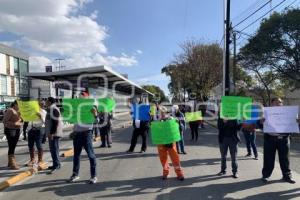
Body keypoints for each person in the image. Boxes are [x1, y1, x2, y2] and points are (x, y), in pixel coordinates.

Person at [259, 97, 298, 184]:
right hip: (270, 139)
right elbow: (259, 125)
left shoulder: (288, 113)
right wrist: (261, 122)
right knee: (268, 158)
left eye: (280, 102)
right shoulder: (266, 113)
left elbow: (294, 125)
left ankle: (287, 176)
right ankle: (266, 176)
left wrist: (296, 122)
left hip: (284, 140)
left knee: (285, 159)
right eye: (276, 102)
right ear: (272, 104)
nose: (279, 104)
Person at [68, 97, 97, 184]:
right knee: (76, 155)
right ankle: (75, 174)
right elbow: (72, 121)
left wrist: (95, 114)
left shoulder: (91, 108)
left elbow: (97, 121)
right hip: (77, 134)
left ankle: (93, 176)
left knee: (91, 155)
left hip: (86, 134)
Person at [155, 106, 184, 181]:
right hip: (161, 142)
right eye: (160, 112)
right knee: (163, 159)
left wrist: (177, 122)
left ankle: (179, 174)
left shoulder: (171, 119)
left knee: (175, 158)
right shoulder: (157, 121)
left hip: (170, 141)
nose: (161, 114)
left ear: (165, 112)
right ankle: (165, 172)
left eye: (162, 112)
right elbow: (154, 130)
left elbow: (176, 126)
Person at [27, 100, 47, 170]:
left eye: (41, 104)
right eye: (39, 104)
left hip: (39, 129)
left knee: (39, 145)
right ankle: (32, 159)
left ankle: (40, 160)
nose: (40, 105)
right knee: (30, 145)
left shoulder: (44, 112)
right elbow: (29, 120)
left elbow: (45, 122)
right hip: (31, 129)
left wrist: (40, 116)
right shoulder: (32, 111)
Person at [3, 100, 23, 170]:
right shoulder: (10, 110)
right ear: (15, 104)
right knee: (12, 145)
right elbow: (5, 121)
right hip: (11, 130)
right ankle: (12, 163)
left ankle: (10, 162)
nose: (20, 106)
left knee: (13, 146)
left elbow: (20, 119)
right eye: (19, 105)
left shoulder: (18, 111)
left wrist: (20, 118)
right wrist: (14, 124)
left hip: (17, 129)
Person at [45, 97, 63, 173]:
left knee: (54, 149)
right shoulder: (51, 109)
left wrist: (52, 133)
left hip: (54, 134)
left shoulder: (53, 109)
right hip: (52, 133)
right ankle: (55, 163)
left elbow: (55, 122)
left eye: (46, 101)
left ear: (49, 102)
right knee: (53, 149)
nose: (45, 102)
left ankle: (57, 164)